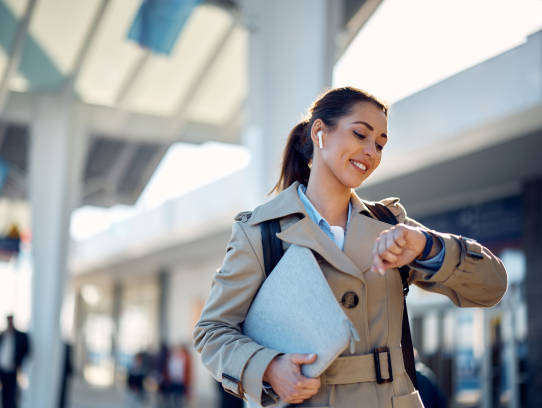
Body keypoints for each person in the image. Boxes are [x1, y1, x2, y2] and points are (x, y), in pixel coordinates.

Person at [193, 87, 508, 407]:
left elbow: (492, 287)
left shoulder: (391, 225)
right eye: (361, 134)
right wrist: (270, 368)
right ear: (320, 132)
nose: (371, 150)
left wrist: (427, 246)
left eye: (381, 144)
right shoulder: (261, 232)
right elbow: (212, 332)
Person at [0, 315, 30, 408]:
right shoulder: (2, 335)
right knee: (3, 394)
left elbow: (26, 350)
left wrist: (18, 363)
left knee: (12, 394)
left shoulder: (20, 336)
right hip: (1, 369)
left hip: (13, 370)